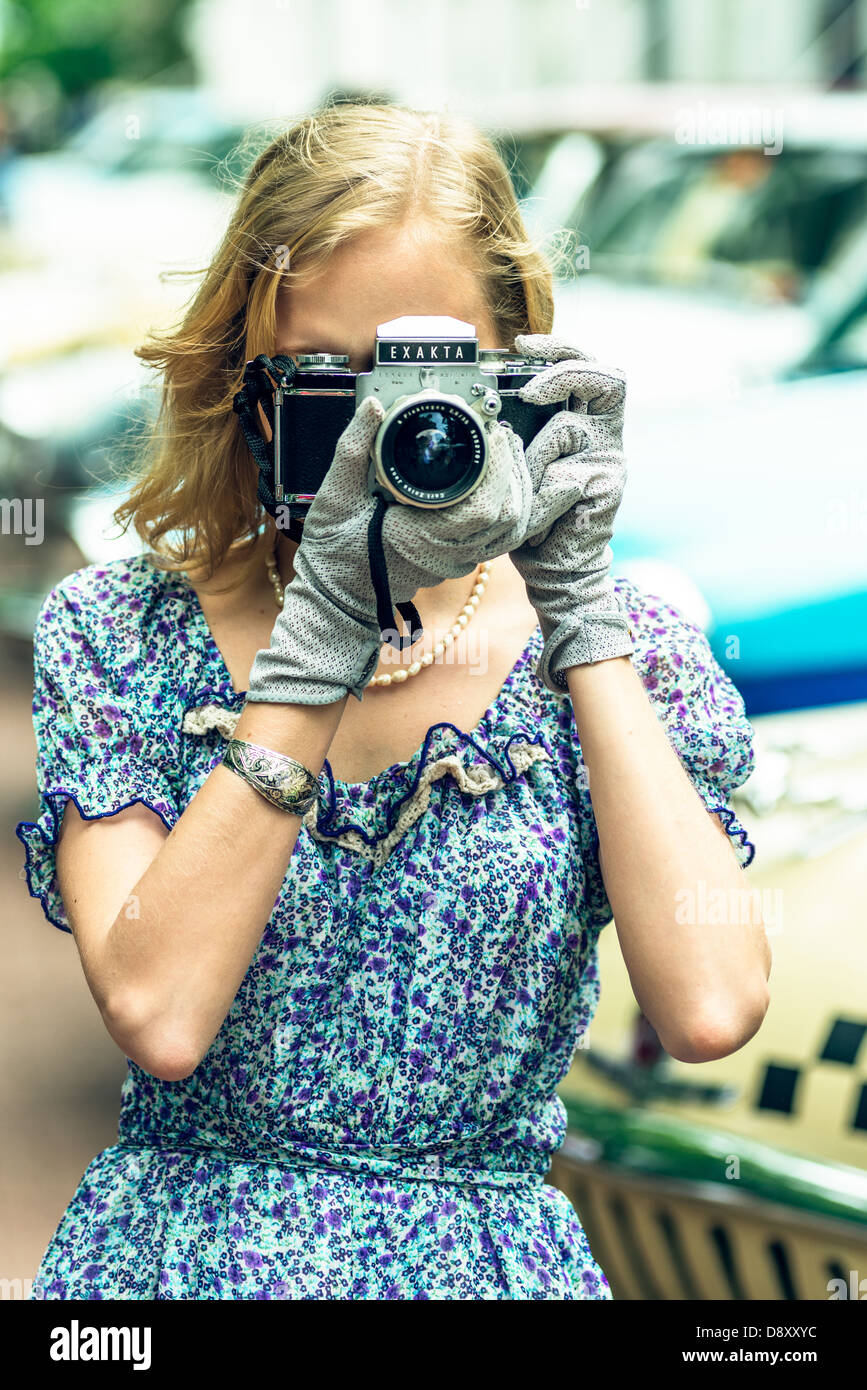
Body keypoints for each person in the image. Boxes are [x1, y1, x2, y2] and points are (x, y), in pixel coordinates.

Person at [17, 101, 771, 1301]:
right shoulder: (120, 633)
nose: (382, 432)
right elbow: (160, 1014)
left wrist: (577, 609)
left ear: (517, 372)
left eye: (421, 379)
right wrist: (321, 637)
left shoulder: (625, 652)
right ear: (245, 384)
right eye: (331, 381)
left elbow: (714, 1002)